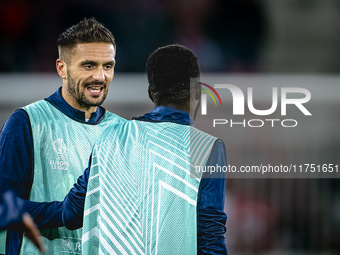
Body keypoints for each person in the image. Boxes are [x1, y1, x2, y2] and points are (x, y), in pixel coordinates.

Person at [49, 44, 227, 254]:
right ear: (197, 93)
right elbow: (210, 238)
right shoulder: (206, 148)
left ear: (151, 94)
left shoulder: (108, 137)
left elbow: (71, 213)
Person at [0, 17, 125, 254]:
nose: (100, 76)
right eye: (88, 65)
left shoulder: (123, 133)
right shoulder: (27, 122)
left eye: (107, 66)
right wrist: (63, 212)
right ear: (62, 68)